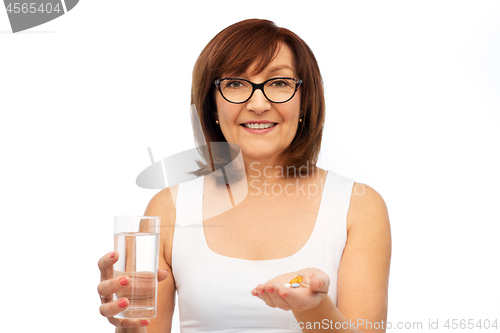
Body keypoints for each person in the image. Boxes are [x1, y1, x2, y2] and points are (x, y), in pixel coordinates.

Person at [97, 19, 391, 333]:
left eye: (279, 83)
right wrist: (128, 323)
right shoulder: (170, 209)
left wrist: (314, 308)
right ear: (211, 104)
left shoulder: (357, 207)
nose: (259, 104)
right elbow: (144, 327)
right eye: (236, 83)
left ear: (304, 100)